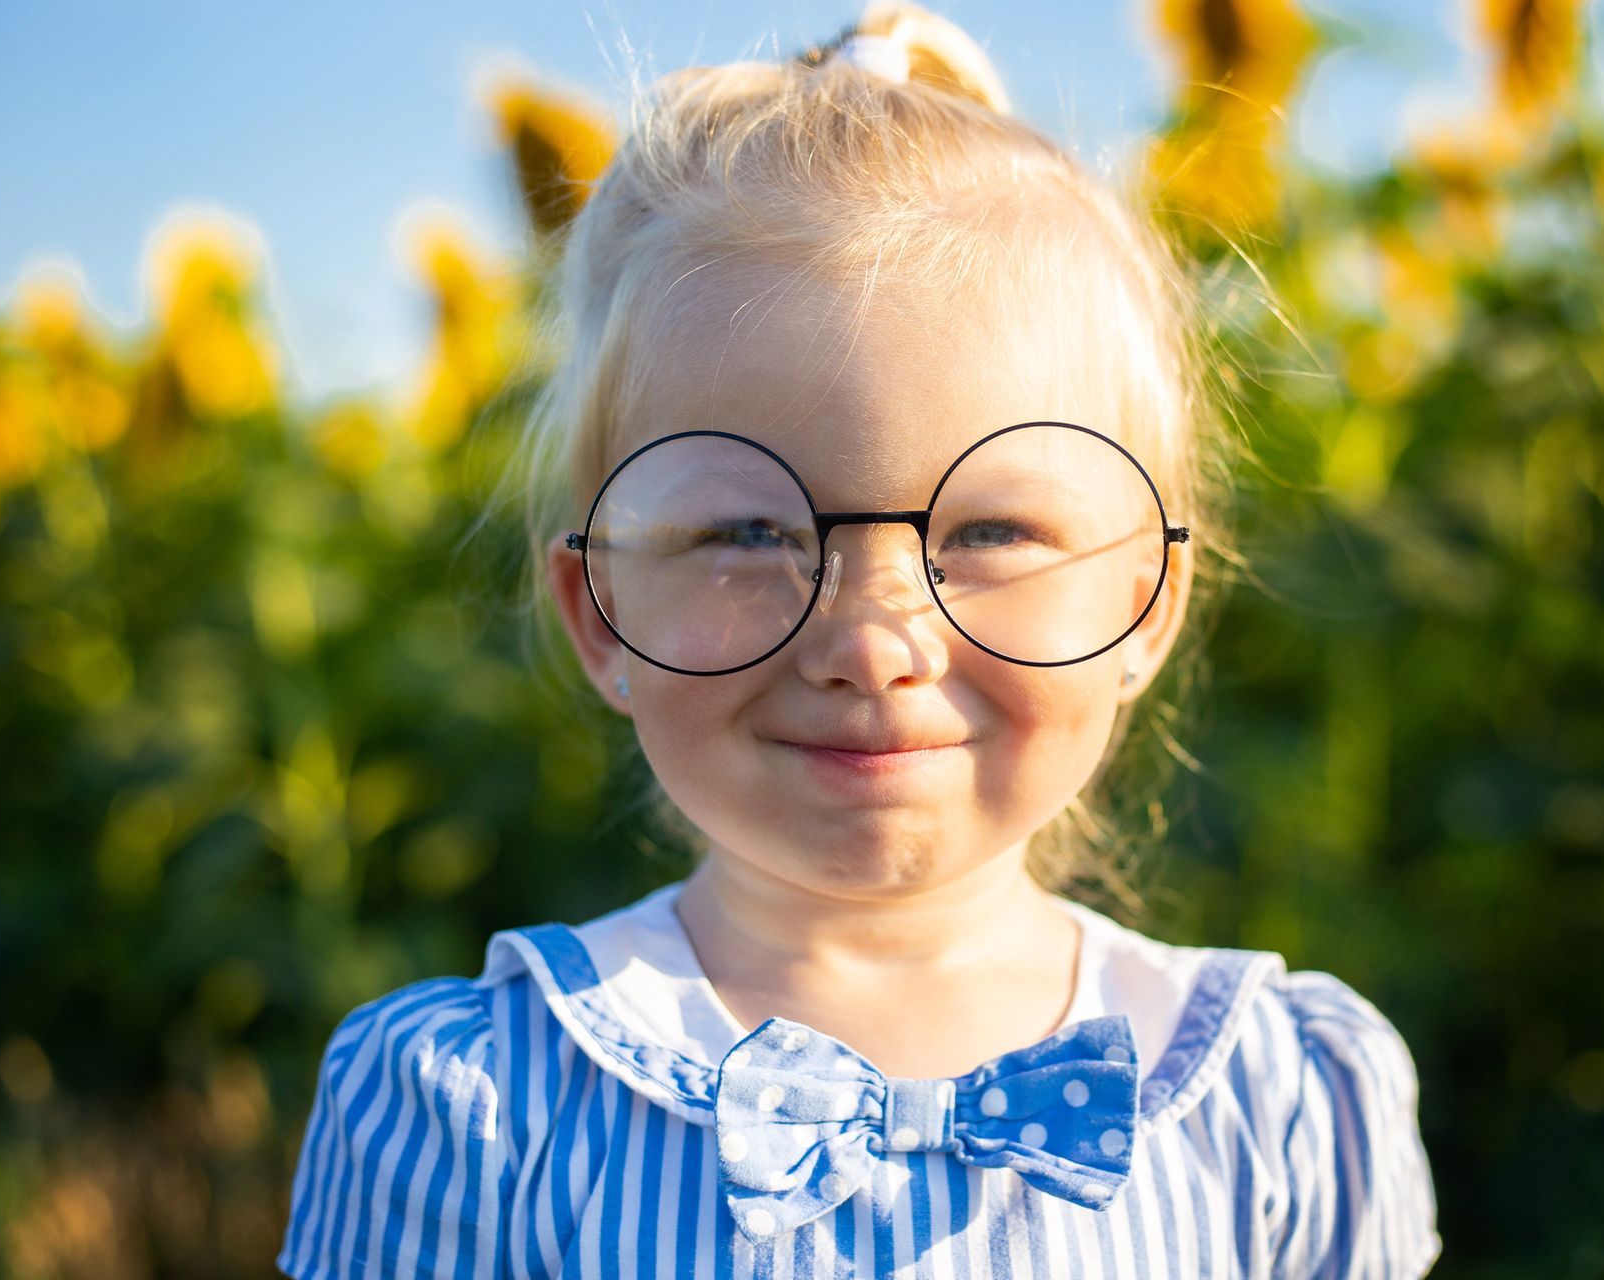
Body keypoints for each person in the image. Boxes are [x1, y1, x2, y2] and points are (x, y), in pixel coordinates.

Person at [278, 3, 1442, 1275]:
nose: (874, 640)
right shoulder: (476, 1112)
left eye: (993, 529)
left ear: (1147, 603)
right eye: (747, 531)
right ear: (601, 611)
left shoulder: (1276, 1100)